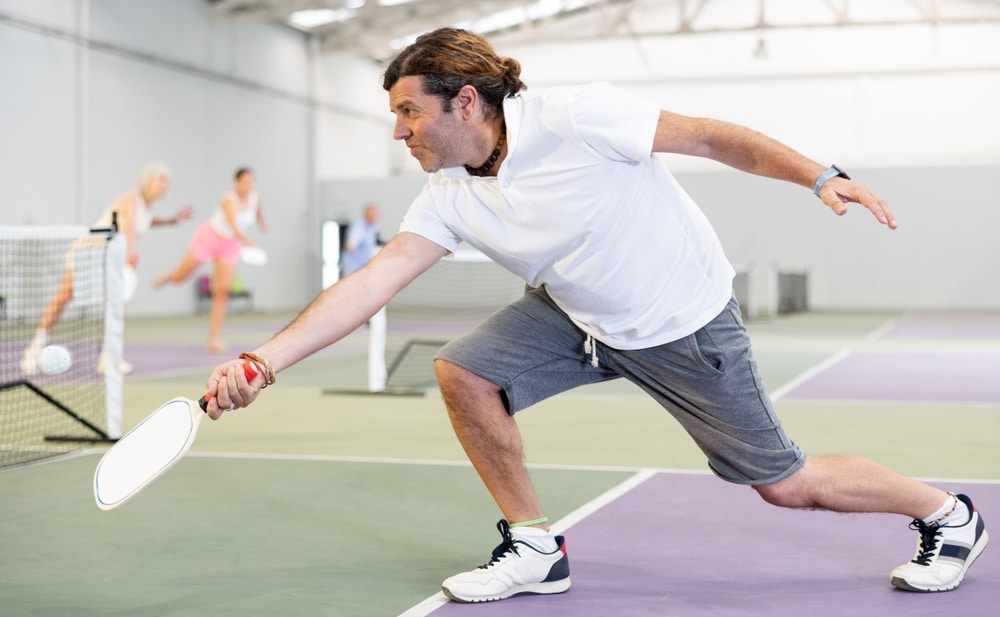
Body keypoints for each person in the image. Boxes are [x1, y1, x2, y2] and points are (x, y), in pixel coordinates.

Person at [202, 28, 988, 603]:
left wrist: (821, 177)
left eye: (409, 111)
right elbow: (374, 280)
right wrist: (261, 362)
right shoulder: (448, 191)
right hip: (577, 313)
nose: (398, 130)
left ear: (465, 101)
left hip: (682, 323)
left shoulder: (578, 117)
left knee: (785, 484)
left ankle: (948, 513)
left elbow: (715, 139)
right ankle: (536, 546)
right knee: (464, 371)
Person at [21, 162, 193, 376]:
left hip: (110, 257)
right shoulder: (131, 199)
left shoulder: (148, 208)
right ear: (148, 181)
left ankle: (108, 358)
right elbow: (129, 226)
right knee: (64, 297)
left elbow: (146, 222)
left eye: (167, 181)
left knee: (119, 304)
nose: (166, 185)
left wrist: (173, 220)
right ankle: (32, 351)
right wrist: (130, 252)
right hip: (88, 251)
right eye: (162, 180)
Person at [153, 167, 267, 353]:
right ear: (236, 183)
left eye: (251, 181)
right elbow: (234, 226)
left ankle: (213, 339)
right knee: (180, 277)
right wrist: (248, 242)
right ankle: (170, 276)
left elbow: (258, 210)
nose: (249, 185)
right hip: (210, 237)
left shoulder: (255, 196)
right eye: (245, 181)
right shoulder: (228, 200)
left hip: (230, 246)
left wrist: (262, 221)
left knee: (222, 291)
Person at [340, 203, 381, 278]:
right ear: (366, 214)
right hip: (353, 267)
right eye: (373, 214)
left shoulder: (374, 226)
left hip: (364, 266)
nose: (375, 217)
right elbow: (350, 246)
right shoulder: (358, 227)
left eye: (376, 214)